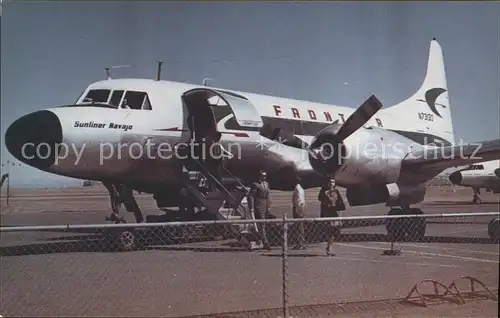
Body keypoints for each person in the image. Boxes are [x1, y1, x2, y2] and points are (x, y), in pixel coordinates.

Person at [318, 177, 345, 256]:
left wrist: (339, 206)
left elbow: (340, 201)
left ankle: (329, 246)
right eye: (330, 182)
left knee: (334, 232)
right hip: (327, 213)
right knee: (329, 231)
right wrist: (326, 195)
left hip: (335, 213)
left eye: (333, 182)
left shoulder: (336, 191)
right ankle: (329, 248)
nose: (331, 184)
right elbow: (320, 199)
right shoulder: (324, 191)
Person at [247, 170, 271, 250]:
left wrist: (268, 206)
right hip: (259, 206)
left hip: (265, 206)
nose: (264, 177)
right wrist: (252, 208)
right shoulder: (255, 185)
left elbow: (268, 196)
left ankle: (259, 239)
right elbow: (251, 197)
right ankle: (265, 242)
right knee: (262, 225)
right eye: (262, 176)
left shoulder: (266, 184)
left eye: (265, 176)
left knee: (264, 224)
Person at [292, 176, 306, 250]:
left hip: (298, 208)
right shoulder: (300, 188)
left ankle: (300, 243)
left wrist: (297, 210)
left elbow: (299, 200)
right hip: (300, 207)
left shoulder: (297, 189)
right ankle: (300, 243)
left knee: (298, 227)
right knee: (300, 227)